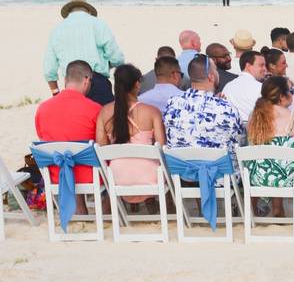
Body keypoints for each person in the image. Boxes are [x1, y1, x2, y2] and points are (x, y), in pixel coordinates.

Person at [244, 76, 294, 217]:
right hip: (291, 179)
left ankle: (277, 209)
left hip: (259, 178)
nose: (293, 94)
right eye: (291, 90)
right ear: (282, 96)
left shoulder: (254, 117)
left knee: (275, 164)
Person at [34, 60, 103, 211]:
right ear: (86, 80)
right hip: (90, 176)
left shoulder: (42, 109)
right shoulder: (95, 109)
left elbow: (44, 142)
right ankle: (105, 211)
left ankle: (80, 209)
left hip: (56, 175)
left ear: (65, 80)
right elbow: (103, 145)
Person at [95, 64, 165, 202]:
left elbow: (101, 147)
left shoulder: (104, 112)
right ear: (137, 84)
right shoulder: (152, 112)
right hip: (149, 177)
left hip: (117, 177)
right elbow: (162, 147)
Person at [43, 0, 124, 105]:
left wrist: (55, 92)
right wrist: (107, 65)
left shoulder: (57, 29)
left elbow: (49, 69)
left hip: (71, 82)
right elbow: (117, 58)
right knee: (105, 119)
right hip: (97, 80)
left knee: (77, 120)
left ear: (69, 12)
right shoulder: (98, 24)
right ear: (88, 11)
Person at [163, 55, 243, 157]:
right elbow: (240, 138)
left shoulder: (172, 103)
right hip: (220, 171)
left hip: (182, 171)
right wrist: (220, 104)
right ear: (211, 76)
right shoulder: (227, 108)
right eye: (216, 70)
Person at [222, 50, 267, 122]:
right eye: (261, 65)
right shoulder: (261, 87)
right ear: (248, 66)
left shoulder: (228, 86)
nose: (265, 69)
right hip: (256, 129)